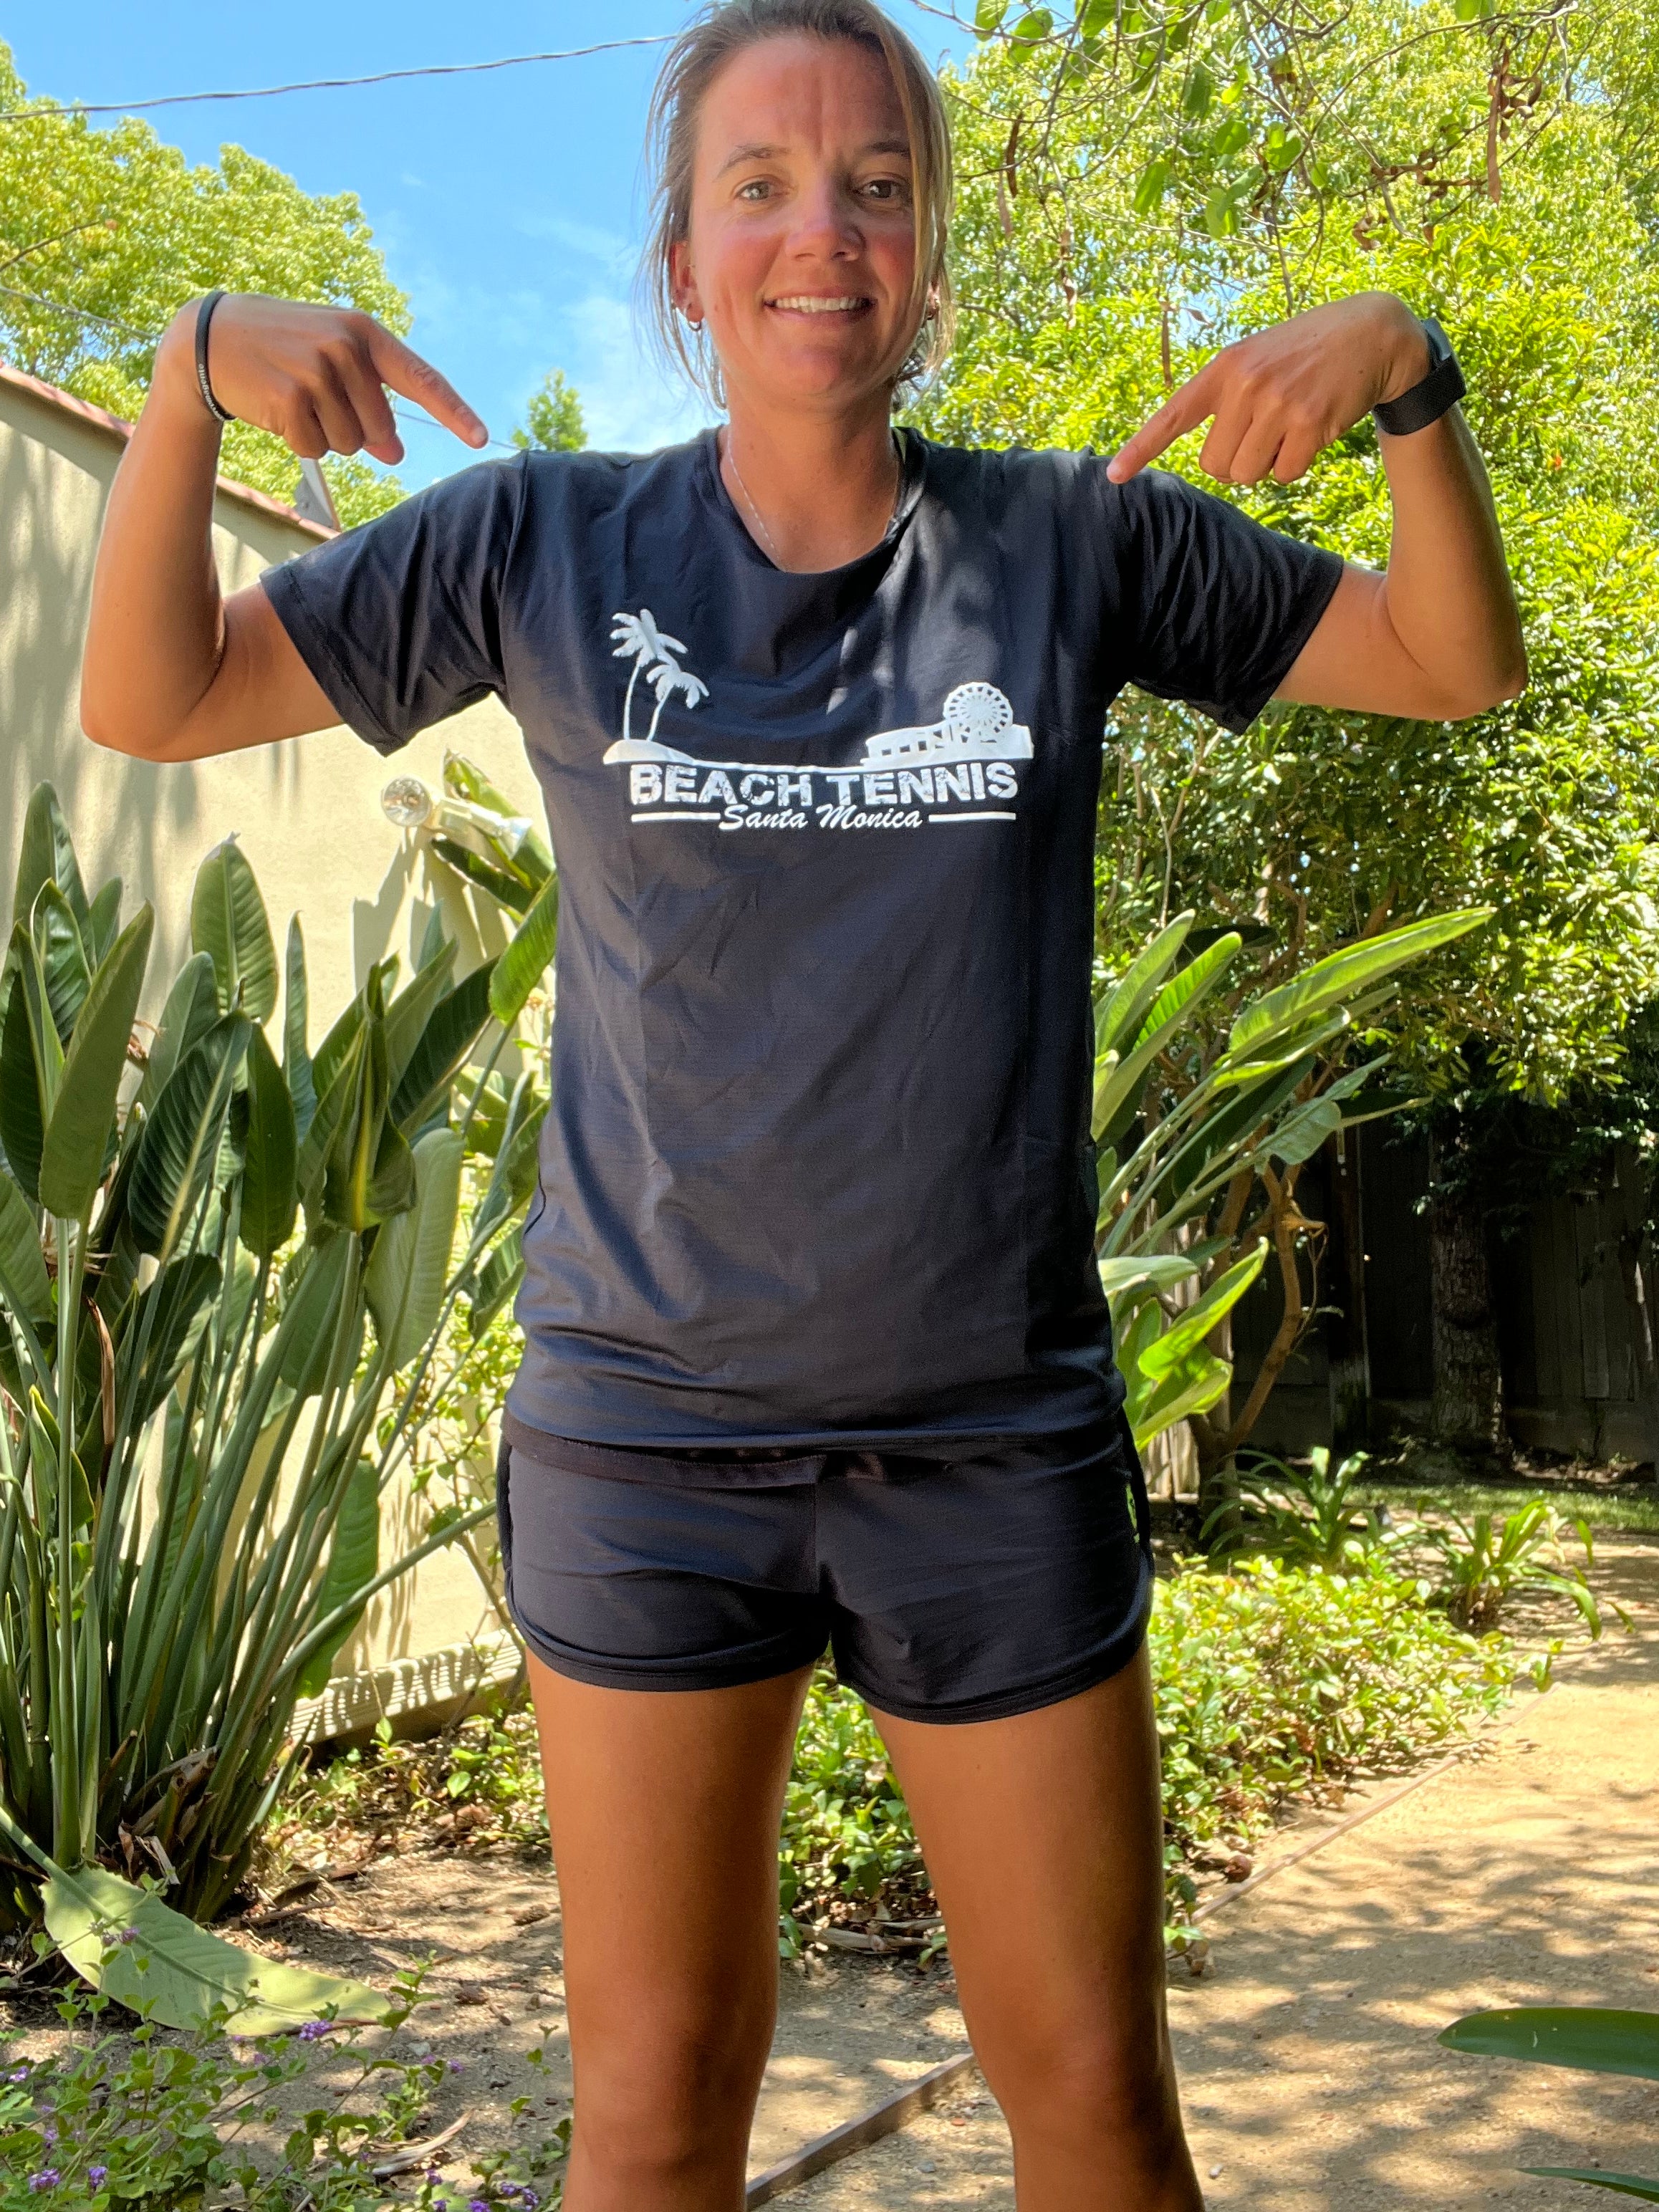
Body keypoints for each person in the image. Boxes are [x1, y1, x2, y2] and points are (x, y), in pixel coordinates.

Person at [81, 3, 1524, 2203]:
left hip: (996, 1442)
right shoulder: (539, 545)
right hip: (646, 1444)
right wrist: (185, 366)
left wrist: (1407, 377)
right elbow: (154, 693)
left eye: (874, 182)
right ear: (679, 260)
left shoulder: (1076, 541)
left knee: (1099, 2107)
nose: (818, 228)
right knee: (653, 2116)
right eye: (757, 184)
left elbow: (1449, 657)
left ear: (929, 248)